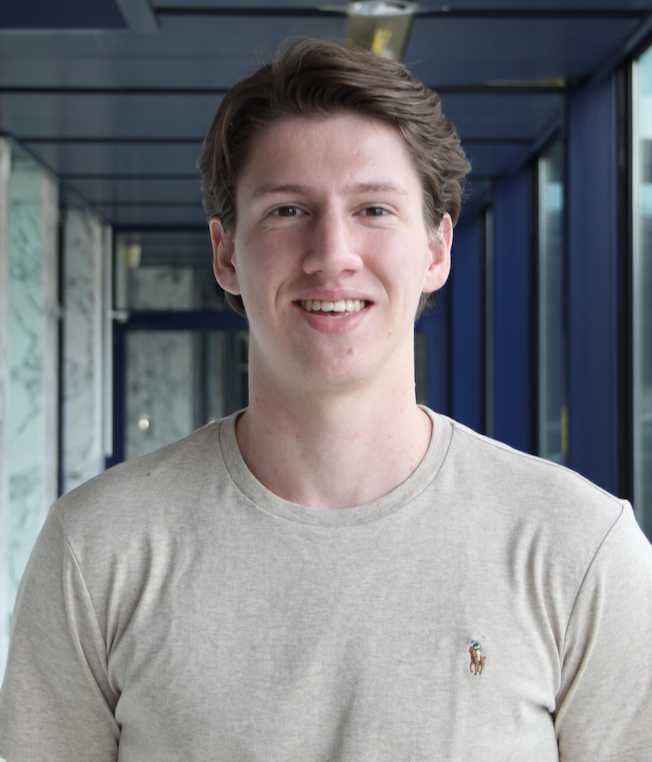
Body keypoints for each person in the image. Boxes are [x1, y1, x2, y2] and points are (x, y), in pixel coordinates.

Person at [1, 38, 652, 762]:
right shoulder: (97, 549)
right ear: (226, 254)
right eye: (287, 210)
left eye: (373, 208)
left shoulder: (579, 551)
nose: (332, 252)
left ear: (437, 249)